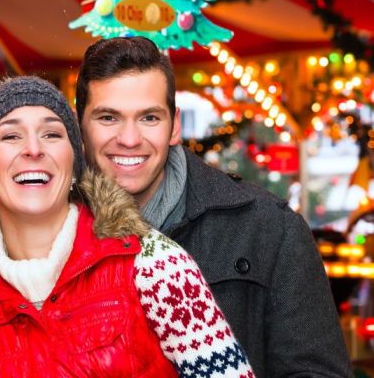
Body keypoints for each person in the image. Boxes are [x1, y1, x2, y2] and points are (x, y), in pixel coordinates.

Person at [0, 76, 253, 377]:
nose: (33, 149)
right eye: (11, 136)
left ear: (74, 167)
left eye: (52, 134)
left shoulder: (153, 265)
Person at [75, 36, 351, 377]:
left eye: (149, 118)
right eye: (108, 118)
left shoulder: (268, 229)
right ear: (79, 127)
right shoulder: (49, 234)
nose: (130, 139)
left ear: (174, 126)